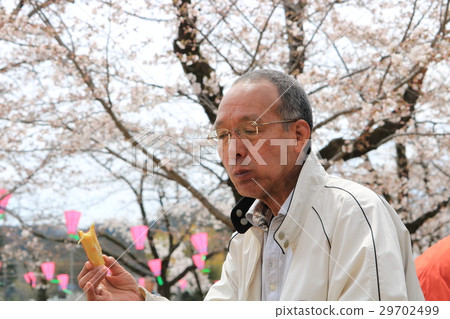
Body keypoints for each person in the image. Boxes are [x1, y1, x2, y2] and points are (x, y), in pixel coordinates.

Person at [78, 69, 424, 301]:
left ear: (299, 135)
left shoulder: (354, 213)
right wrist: (138, 302)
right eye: (224, 136)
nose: (234, 150)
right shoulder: (249, 237)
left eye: (250, 130)